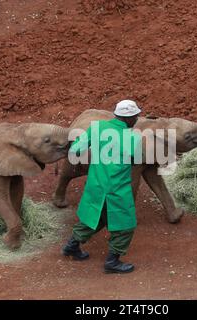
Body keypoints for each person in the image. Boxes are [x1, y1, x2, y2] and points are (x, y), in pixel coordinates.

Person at [62, 100, 142, 273]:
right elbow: (135, 160)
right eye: (136, 116)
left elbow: (75, 150)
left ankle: (72, 246)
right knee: (125, 226)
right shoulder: (133, 137)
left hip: (96, 185)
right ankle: (113, 261)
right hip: (117, 190)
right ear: (129, 119)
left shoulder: (96, 127)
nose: (137, 118)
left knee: (95, 217)